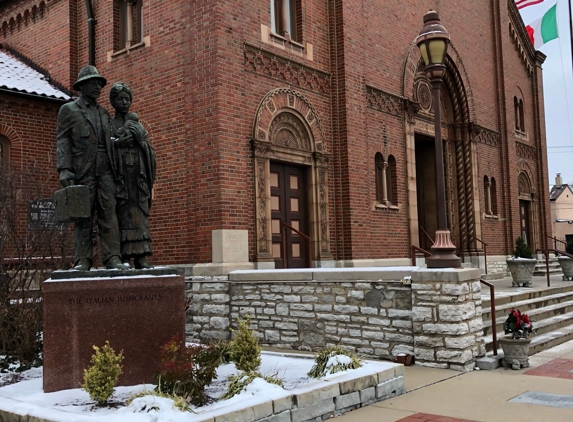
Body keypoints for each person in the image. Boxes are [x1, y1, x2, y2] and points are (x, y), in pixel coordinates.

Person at [56, 66, 126, 270]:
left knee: (109, 213)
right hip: (82, 170)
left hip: (106, 170)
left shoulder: (104, 113)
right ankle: (83, 260)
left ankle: (112, 257)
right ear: (82, 86)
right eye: (93, 83)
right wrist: (64, 168)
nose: (98, 87)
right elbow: (63, 141)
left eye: (100, 84)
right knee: (83, 216)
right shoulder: (68, 110)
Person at [109, 82, 156, 269]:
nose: (124, 102)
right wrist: (118, 145)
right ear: (113, 101)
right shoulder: (110, 125)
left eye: (127, 99)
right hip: (120, 179)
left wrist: (140, 142)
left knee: (139, 216)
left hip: (137, 177)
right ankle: (122, 257)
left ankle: (140, 256)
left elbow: (150, 151)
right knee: (122, 216)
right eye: (120, 99)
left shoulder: (137, 125)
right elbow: (105, 149)